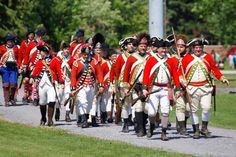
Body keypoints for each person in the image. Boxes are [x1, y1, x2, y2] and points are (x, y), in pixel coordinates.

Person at [180, 38, 229, 139]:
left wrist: (222, 78)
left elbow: (214, 69)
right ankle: (196, 130)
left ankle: (204, 128)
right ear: (192, 48)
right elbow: (180, 72)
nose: (198, 49)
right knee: (194, 110)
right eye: (196, 47)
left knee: (206, 108)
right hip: (192, 88)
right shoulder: (186, 58)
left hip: (205, 87)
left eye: (200, 47)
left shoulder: (207, 56)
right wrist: (181, 79)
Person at [142, 37, 179, 140]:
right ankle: (152, 125)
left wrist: (178, 89)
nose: (164, 50)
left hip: (165, 89)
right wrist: (145, 88)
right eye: (162, 48)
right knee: (152, 112)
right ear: (157, 49)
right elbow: (146, 74)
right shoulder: (151, 60)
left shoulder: (171, 60)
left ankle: (164, 132)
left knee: (165, 111)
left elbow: (175, 75)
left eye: (166, 48)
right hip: (154, 89)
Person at [123, 32, 150, 137]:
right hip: (135, 86)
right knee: (138, 107)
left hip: (147, 86)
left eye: (145, 46)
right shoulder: (132, 57)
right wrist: (126, 87)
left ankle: (143, 124)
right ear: (137, 46)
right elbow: (126, 73)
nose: (143, 47)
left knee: (146, 108)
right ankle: (140, 128)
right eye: (141, 46)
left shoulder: (150, 57)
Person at [70, 46, 104, 128]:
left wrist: (101, 85)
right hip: (81, 87)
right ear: (81, 54)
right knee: (83, 103)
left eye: (87, 54)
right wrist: (73, 88)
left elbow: (99, 74)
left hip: (91, 86)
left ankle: (86, 118)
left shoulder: (94, 62)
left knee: (89, 104)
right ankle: (84, 120)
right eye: (84, 54)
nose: (86, 56)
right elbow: (73, 77)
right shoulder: (76, 63)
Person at [30, 45, 63, 126]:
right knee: (42, 103)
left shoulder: (54, 60)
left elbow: (59, 71)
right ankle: (43, 118)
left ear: (45, 52)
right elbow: (35, 70)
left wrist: (61, 82)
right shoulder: (39, 61)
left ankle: (50, 120)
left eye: (41, 51)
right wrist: (32, 77)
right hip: (42, 85)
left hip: (51, 84)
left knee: (52, 101)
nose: (40, 53)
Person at [115, 36, 136, 131]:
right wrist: (118, 85)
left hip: (135, 83)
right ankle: (125, 123)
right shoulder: (121, 57)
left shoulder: (137, 56)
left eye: (132, 44)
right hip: (124, 84)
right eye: (129, 44)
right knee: (125, 104)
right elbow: (117, 72)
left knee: (136, 103)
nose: (131, 46)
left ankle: (137, 122)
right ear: (126, 46)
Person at [0, 34, 21, 106]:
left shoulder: (17, 48)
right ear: (6, 42)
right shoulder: (2, 48)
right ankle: (6, 101)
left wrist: (20, 67)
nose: (10, 43)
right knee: (6, 85)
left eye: (11, 41)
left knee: (13, 85)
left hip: (13, 68)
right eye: (9, 41)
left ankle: (11, 99)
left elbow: (19, 58)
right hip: (4, 68)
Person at [19, 29, 35, 103]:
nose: (31, 35)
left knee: (32, 80)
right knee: (26, 79)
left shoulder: (35, 43)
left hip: (32, 64)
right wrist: (20, 65)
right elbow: (20, 55)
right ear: (28, 35)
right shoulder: (24, 43)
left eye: (32, 34)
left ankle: (30, 95)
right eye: (30, 34)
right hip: (25, 64)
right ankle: (25, 93)